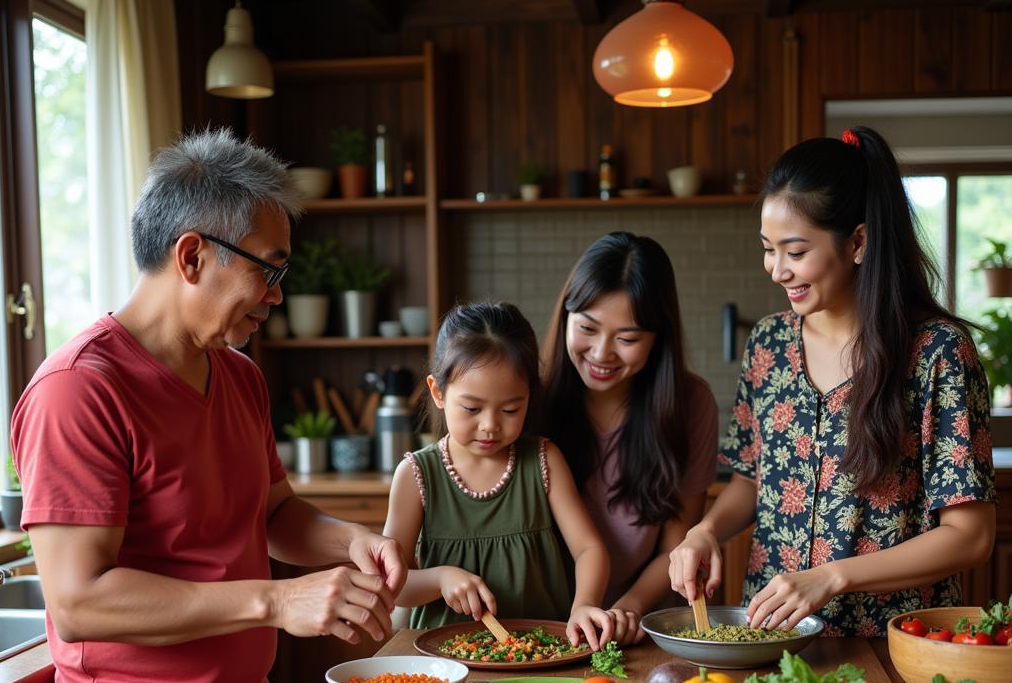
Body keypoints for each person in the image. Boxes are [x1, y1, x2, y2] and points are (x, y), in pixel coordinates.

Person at [9, 129, 406, 683]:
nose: (276, 292)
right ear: (193, 255)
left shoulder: (240, 376)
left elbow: (272, 513)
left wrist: (349, 543)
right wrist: (275, 599)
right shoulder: (80, 391)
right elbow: (78, 600)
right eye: (268, 267)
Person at [669, 126, 996, 637]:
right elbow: (751, 481)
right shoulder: (769, 343)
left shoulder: (937, 353)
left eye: (795, 252)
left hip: (893, 645)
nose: (776, 270)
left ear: (858, 243)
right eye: (767, 248)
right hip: (772, 639)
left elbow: (970, 536)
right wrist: (706, 531)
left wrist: (832, 577)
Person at [383, 301, 615, 649]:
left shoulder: (543, 460)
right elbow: (390, 583)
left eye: (511, 409)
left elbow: (589, 549)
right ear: (438, 392)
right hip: (445, 661)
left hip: (542, 654)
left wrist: (584, 605)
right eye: (472, 408)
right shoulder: (416, 474)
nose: (490, 425)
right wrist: (440, 579)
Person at [540, 232, 719, 644]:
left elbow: (675, 546)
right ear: (566, 316)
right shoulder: (531, 401)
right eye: (587, 327)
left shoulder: (691, 405)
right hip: (542, 626)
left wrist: (630, 607)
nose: (602, 353)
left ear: (658, 340)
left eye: (627, 339)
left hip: (639, 630)